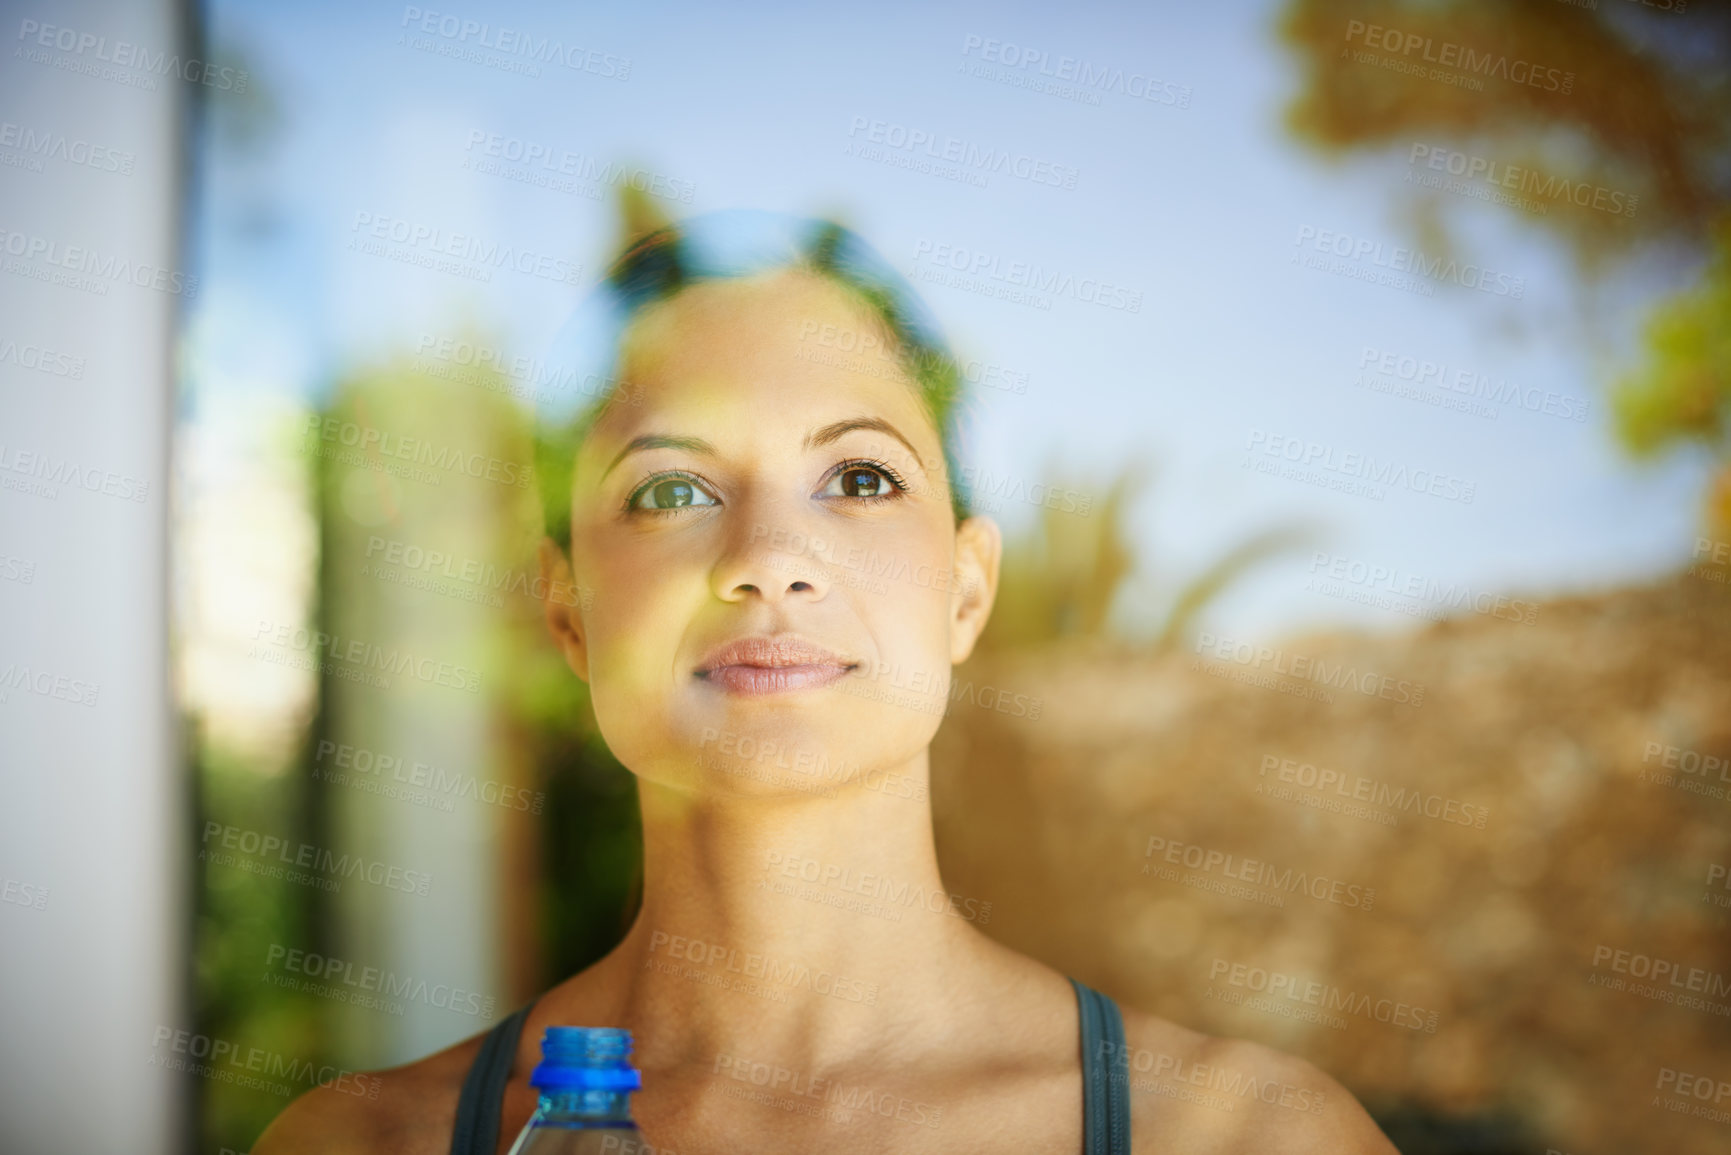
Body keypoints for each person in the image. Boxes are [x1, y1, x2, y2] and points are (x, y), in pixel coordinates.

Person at [255, 208, 1397, 1154]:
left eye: (857, 476)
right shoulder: (357, 1146)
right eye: (671, 492)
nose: (766, 562)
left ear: (965, 591)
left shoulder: (1252, 1138)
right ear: (569, 614)